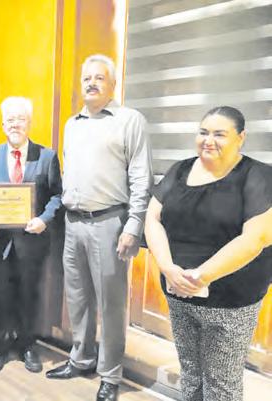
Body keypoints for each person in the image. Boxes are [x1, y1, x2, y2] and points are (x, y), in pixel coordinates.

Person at [144, 106, 272, 401]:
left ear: (241, 137)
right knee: (190, 372)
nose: (208, 140)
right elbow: (153, 218)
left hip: (230, 301)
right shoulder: (180, 170)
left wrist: (199, 278)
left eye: (219, 134)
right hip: (178, 293)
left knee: (221, 383)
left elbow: (257, 238)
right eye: (203, 132)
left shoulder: (258, 176)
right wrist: (167, 267)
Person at [45, 54, 153, 401]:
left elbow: (141, 177)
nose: (91, 83)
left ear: (113, 84)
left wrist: (133, 225)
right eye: (86, 78)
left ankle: (110, 374)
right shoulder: (72, 124)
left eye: (99, 78)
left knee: (111, 303)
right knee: (77, 298)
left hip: (109, 223)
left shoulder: (129, 120)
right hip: (73, 222)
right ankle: (81, 359)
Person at [0, 97, 62, 374]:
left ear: (29, 123)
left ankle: (27, 345)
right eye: (10, 120)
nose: (15, 124)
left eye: (21, 119)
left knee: (29, 295)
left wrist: (43, 219)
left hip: (31, 241)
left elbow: (57, 196)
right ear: (3, 125)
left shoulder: (47, 156)